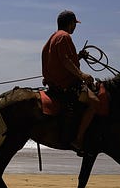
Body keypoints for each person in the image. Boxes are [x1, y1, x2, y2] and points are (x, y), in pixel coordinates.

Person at [41, 9, 99, 154]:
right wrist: (82, 74)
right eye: (75, 24)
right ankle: (78, 140)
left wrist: (78, 57)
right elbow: (65, 61)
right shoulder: (65, 37)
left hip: (53, 83)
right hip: (65, 85)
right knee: (94, 102)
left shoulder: (53, 37)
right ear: (70, 23)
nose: (75, 27)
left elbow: (61, 61)